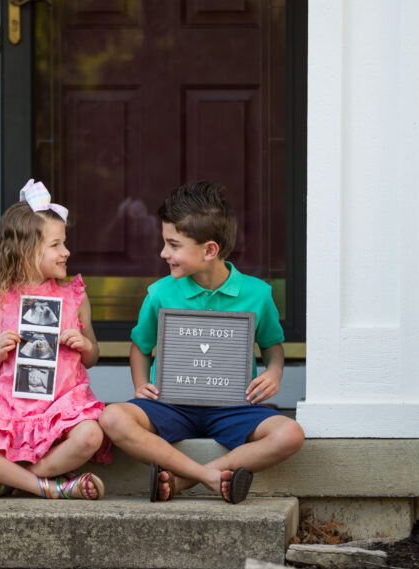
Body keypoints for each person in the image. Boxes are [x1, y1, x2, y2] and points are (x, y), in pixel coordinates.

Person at [99, 181, 305, 503]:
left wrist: (274, 373)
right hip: (170, 404)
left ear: (209, 250)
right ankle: (208, 476)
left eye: (173, 245)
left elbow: (272, 346)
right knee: (111, 418)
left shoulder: (258, 294)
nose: (163, 253)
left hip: (233, 406)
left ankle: (183, 480)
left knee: (291, 433)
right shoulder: (160, 294)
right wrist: (140, 385)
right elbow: (141, 346)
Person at [0, 179, 109, 500]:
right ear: (24, 250)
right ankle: (52, 487)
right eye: (56, 245)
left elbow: (93, 356)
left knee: (91, 436)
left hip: (62, 408)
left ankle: (10, 481)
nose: (67, 252)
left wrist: (84, 344)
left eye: (64, 243)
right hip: (9, 406)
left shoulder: (74, 296)